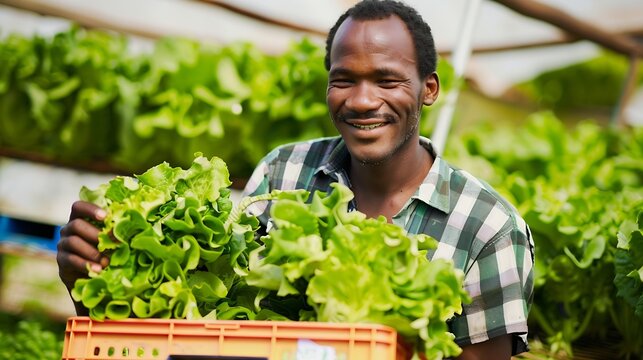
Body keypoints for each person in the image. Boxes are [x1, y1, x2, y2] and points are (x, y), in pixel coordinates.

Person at [57, 1, 535, 359]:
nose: (362, 101)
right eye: (344, 79)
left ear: (428, 89)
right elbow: (215, 325)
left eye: (387, 81)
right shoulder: (282, 172)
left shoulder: (489, 227)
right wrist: (97, 284)